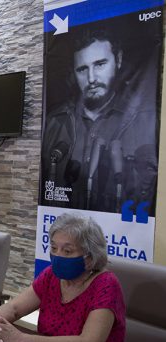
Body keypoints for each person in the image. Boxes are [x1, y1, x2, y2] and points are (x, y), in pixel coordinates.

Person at [41, 28, 158, 214]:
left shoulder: (141, 120)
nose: (91, 78)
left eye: (100, 64)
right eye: (82, 69)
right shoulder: (55, 122)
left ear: (118, 60)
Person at [0, 213, 125, 342]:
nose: (57, 255)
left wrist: (21, 339)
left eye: (67, 251)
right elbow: (14, 308)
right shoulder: (51, 275)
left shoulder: (106, 284)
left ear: (89, 258)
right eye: (54, 248)